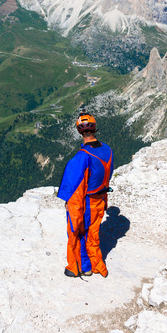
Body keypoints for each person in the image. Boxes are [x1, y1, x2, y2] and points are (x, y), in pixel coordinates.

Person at [57, 112, 113, 278]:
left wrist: (70, 205)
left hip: (88, 201)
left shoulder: (82, 156)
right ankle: (95, 263)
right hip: (100, 199)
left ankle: (80, 267)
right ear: (95, 129)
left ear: (79, 131)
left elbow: (75, 187)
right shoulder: (107, 149)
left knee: (79, 232)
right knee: (93, 234)